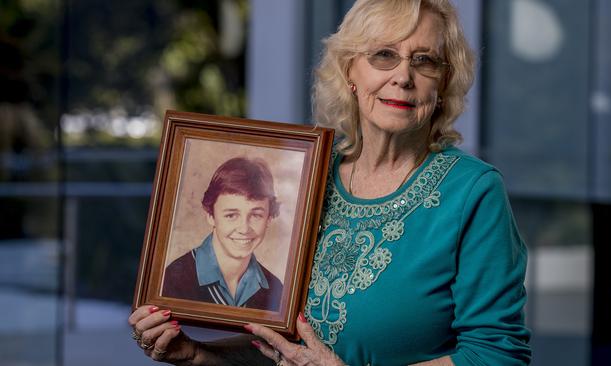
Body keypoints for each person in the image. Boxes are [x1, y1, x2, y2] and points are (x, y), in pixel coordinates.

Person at [129, 1, 532, 365]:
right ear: (350, 71)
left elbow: (497, 355)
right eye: (384, 55)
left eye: (425, 60)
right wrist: (195, 354)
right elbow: (283, 352)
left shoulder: (474, 192)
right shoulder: (307, 178)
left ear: (442, 85)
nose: (404, 76)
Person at [161, 156, 284, 311]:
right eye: (231, 215)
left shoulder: (276, 289)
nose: (244, 229)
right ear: (211, 216)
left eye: (256, 215)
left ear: (269, 219)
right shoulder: (174, 279)